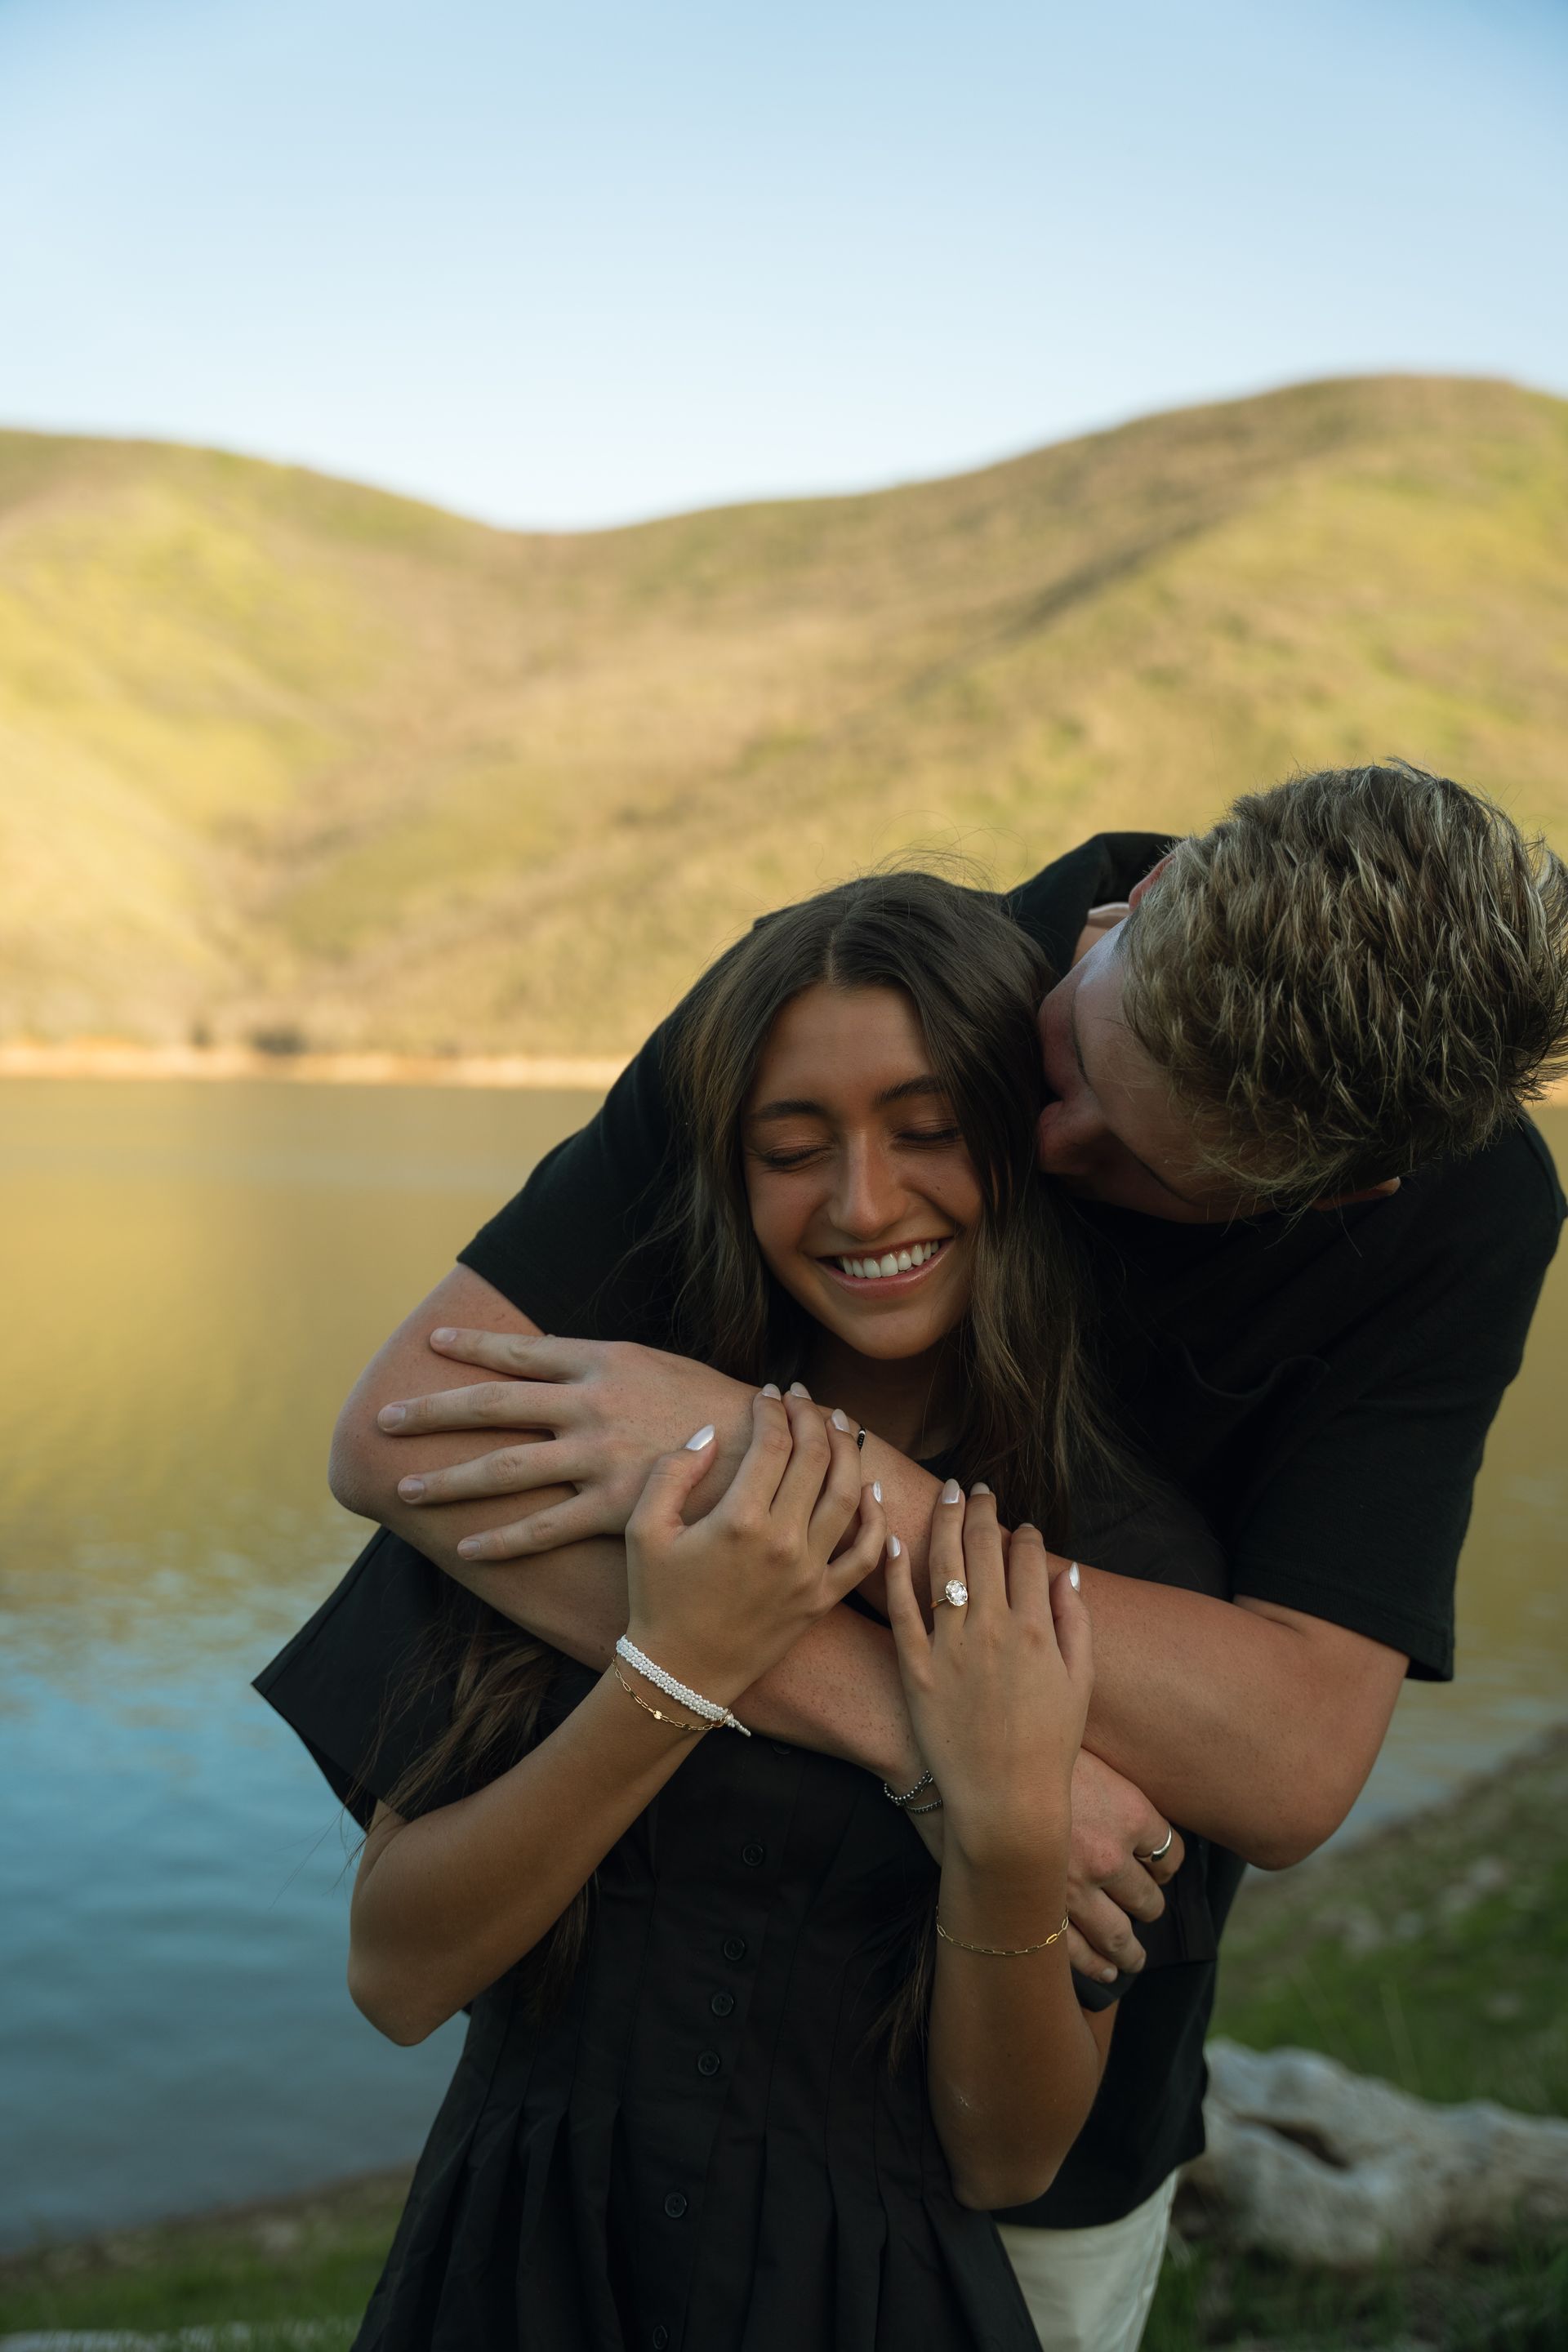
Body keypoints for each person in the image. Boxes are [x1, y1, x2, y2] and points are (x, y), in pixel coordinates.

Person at [303, 762, 1566, 2351]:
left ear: (1352, 1193)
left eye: (1135, 1165)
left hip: (1025, 2132)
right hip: (586, 2126)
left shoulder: (1458, 1214)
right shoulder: (853, 991)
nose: (1050, 1133)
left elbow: (1294, 1759)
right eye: (1069, 1061)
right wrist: (944, 1741)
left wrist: (795, 1472)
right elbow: (409, 1431)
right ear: (1148, 898)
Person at [260, 875, 1224, 2350]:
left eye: (925, 1132)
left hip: (874, 2300)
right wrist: (678, 1666)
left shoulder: (1114, 1563)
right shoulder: (582, 1443)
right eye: (792, 1149)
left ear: (1019, 1149)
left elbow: (1009, 2154)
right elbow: (397, 1974)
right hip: (509, 2272)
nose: (861, 1202)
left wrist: (1007, 1820)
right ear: (727, 1169)